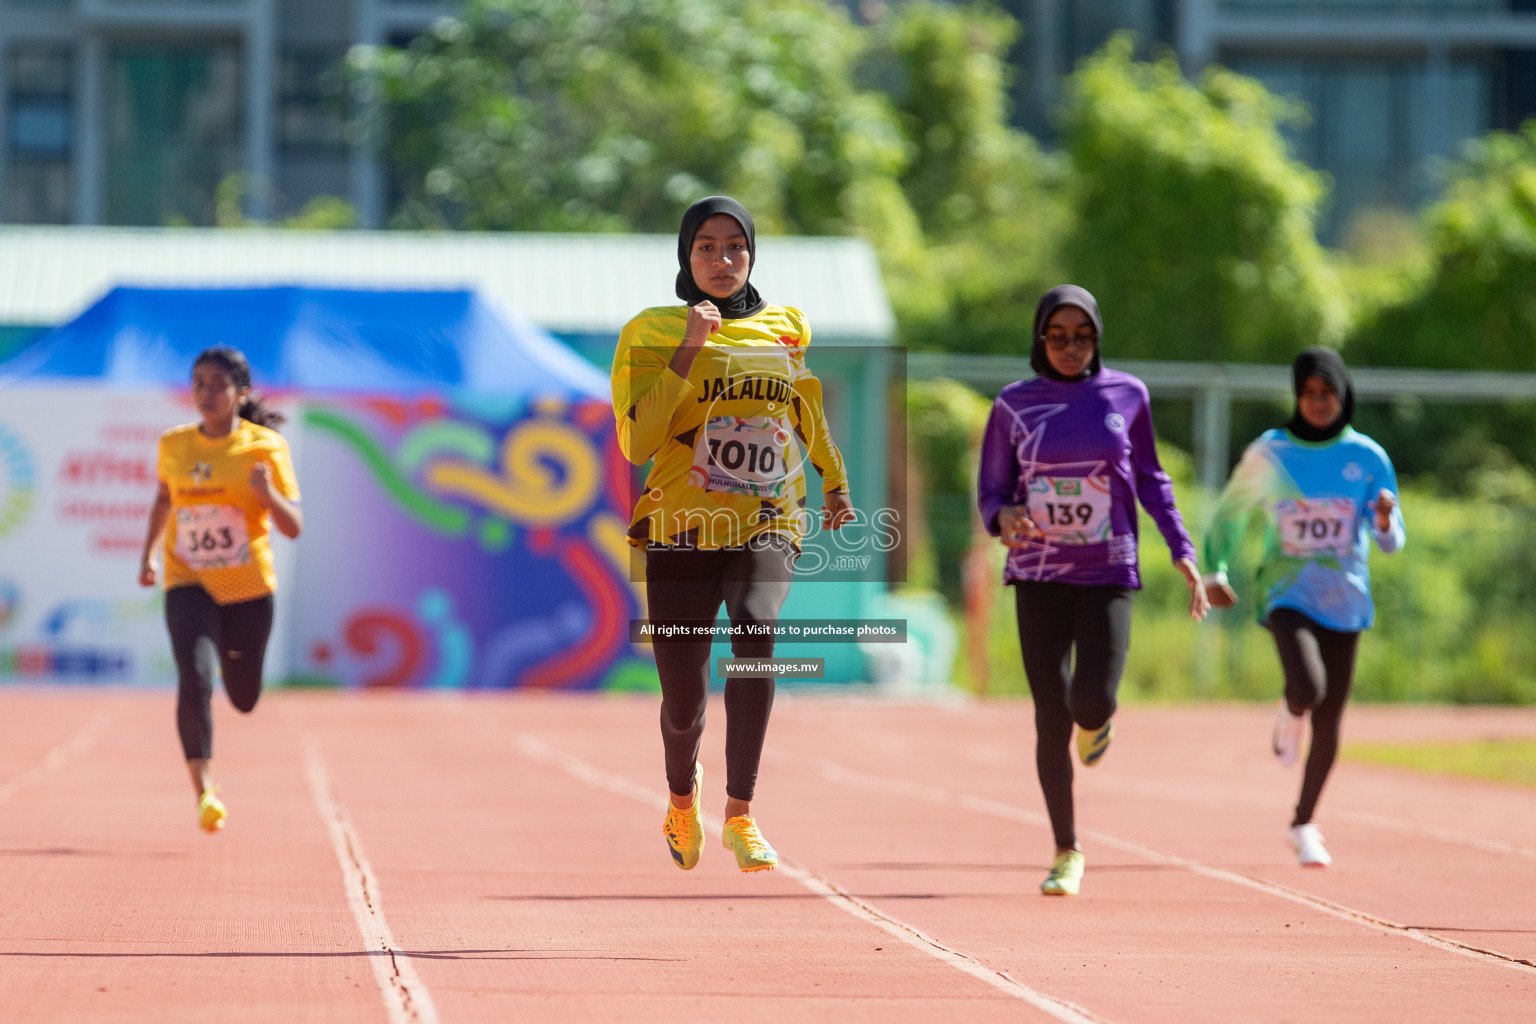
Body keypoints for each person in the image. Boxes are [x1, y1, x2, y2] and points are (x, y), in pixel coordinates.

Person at [612, 196, 853, 873]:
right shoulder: (651, 330)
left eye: (735, 247)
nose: (722, 260)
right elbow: (638, 442)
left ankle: (741, 814)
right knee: (683, 699)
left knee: (756, 628)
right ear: (685, 256)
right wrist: (689, 350)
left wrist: (833, 482)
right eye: (707, 248)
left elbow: (804, 410)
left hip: (769, 519)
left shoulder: (788, 326)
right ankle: (681, 802)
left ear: (751, 254)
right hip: (680, 528)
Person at [977, 285, 1209, 897]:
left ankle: (1097, 720)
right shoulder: (1014, 405)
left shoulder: (1127, 395)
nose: (1071, 348)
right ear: (1040, 339)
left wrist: (1182, 550)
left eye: (1083, 337)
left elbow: (1153, 478)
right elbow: (993, 491)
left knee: (1091, 701)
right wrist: (1002, 519)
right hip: (1038, 572)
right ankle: (1065, 849)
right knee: (1049, 716)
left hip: (1108, 569)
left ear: (1097, 338)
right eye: (1058, 336)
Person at [1204, 347, 1403, 868]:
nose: (1318, 403)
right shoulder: (1270, 453)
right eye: (1309, 394)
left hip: (1346, 597)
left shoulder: (1369, 456)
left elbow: (1391, 541)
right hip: (1285, 589)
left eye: (1328, 393)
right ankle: (1292, 708)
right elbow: (1229, 515)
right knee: (1308, 687)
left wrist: (1383, 521)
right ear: (1297, 396)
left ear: (1344, 395)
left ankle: (1303, 823)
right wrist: (1215, 570)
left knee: (1332, 718)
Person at [137, 347, 302, 832]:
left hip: (247, 587)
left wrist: (267, 494)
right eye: (198, 382)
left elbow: (293, 527)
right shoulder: (174, 445)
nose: (206, 392)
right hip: (187, 577)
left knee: (244, 696)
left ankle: (240, 673)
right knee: (194, 677)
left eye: (218, 384)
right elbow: (164, 497)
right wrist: (148, 553)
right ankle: (204, 790)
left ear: (241, 393)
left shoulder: (265, 447)